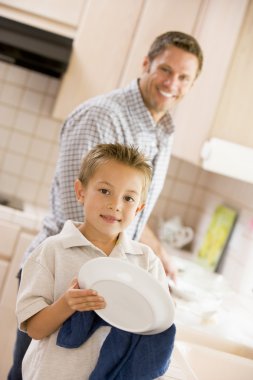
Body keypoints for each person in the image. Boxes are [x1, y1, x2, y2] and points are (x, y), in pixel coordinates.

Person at [8, 30, 203, 379]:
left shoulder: (161, 128)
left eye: (184, 77)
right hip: (63, 276)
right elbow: (85, 215)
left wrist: (152, 256)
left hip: (114, 280)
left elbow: (130, 207)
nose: (173, 83)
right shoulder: (103, 116)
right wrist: (122, 275)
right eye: (165, 70)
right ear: (146, 63)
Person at [16, 143, 176, 380]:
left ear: (140, 208)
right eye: (104, 191)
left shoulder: (146, 262)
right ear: (81, 192)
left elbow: (157, 325)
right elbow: (35, 330)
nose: (116, 205)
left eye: (129, 198)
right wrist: (66, 304)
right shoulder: (52, 251)